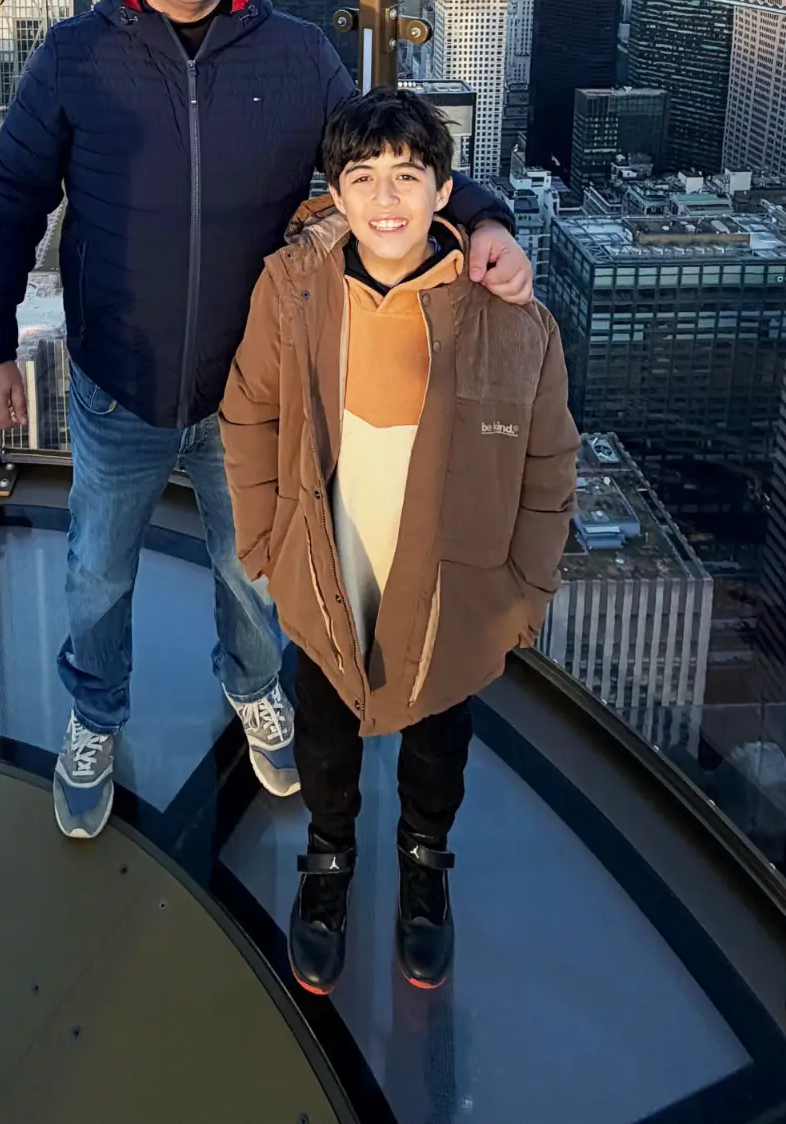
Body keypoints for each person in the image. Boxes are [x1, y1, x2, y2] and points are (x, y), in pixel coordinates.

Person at [0, 0, 535, 842]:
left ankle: (254, 684)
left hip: (254, 387)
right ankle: (95, 714)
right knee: (98, 568)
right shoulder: (75, 56)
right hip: (119, 380)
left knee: (255, 565)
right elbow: (10, 199)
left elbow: (378, 158)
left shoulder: (296, 54)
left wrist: (482, 216)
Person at [220, 86, 578, 995]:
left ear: (443, 190)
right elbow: (250, 413)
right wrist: (262, 545)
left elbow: (548, 463)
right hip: (328, 556)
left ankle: (425, 860)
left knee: (437, 736)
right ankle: (328, 857)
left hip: (452, 576)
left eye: (407, 176)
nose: (385, 198)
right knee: (324, 730)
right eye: (363, 176)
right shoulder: (291, 289)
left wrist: (525, 592)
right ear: (334, 192)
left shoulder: (510, 318)